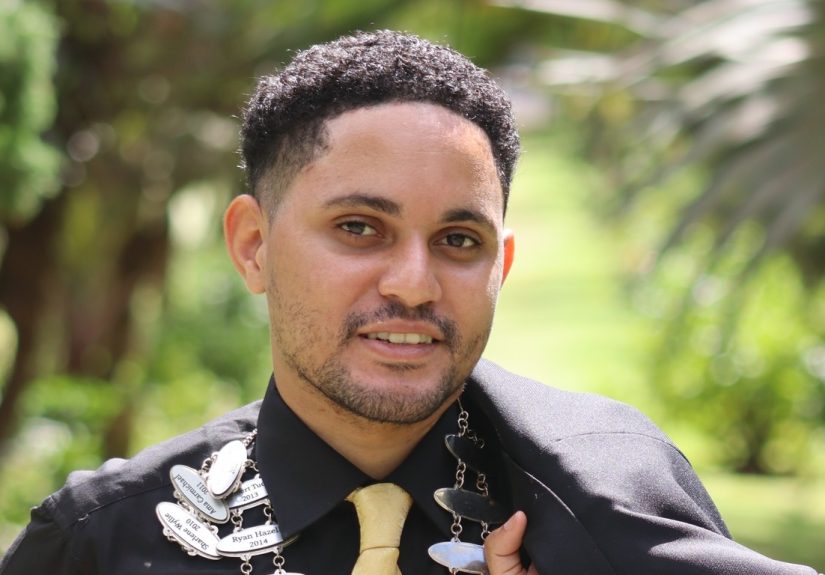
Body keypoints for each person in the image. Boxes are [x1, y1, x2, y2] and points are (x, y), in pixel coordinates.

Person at [0, 29, 819, 575]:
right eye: (359, 228)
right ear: (253, 245)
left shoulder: (599, 504)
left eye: (458, 240)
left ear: (500, 264)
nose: (414, 284)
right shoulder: (102, 541)